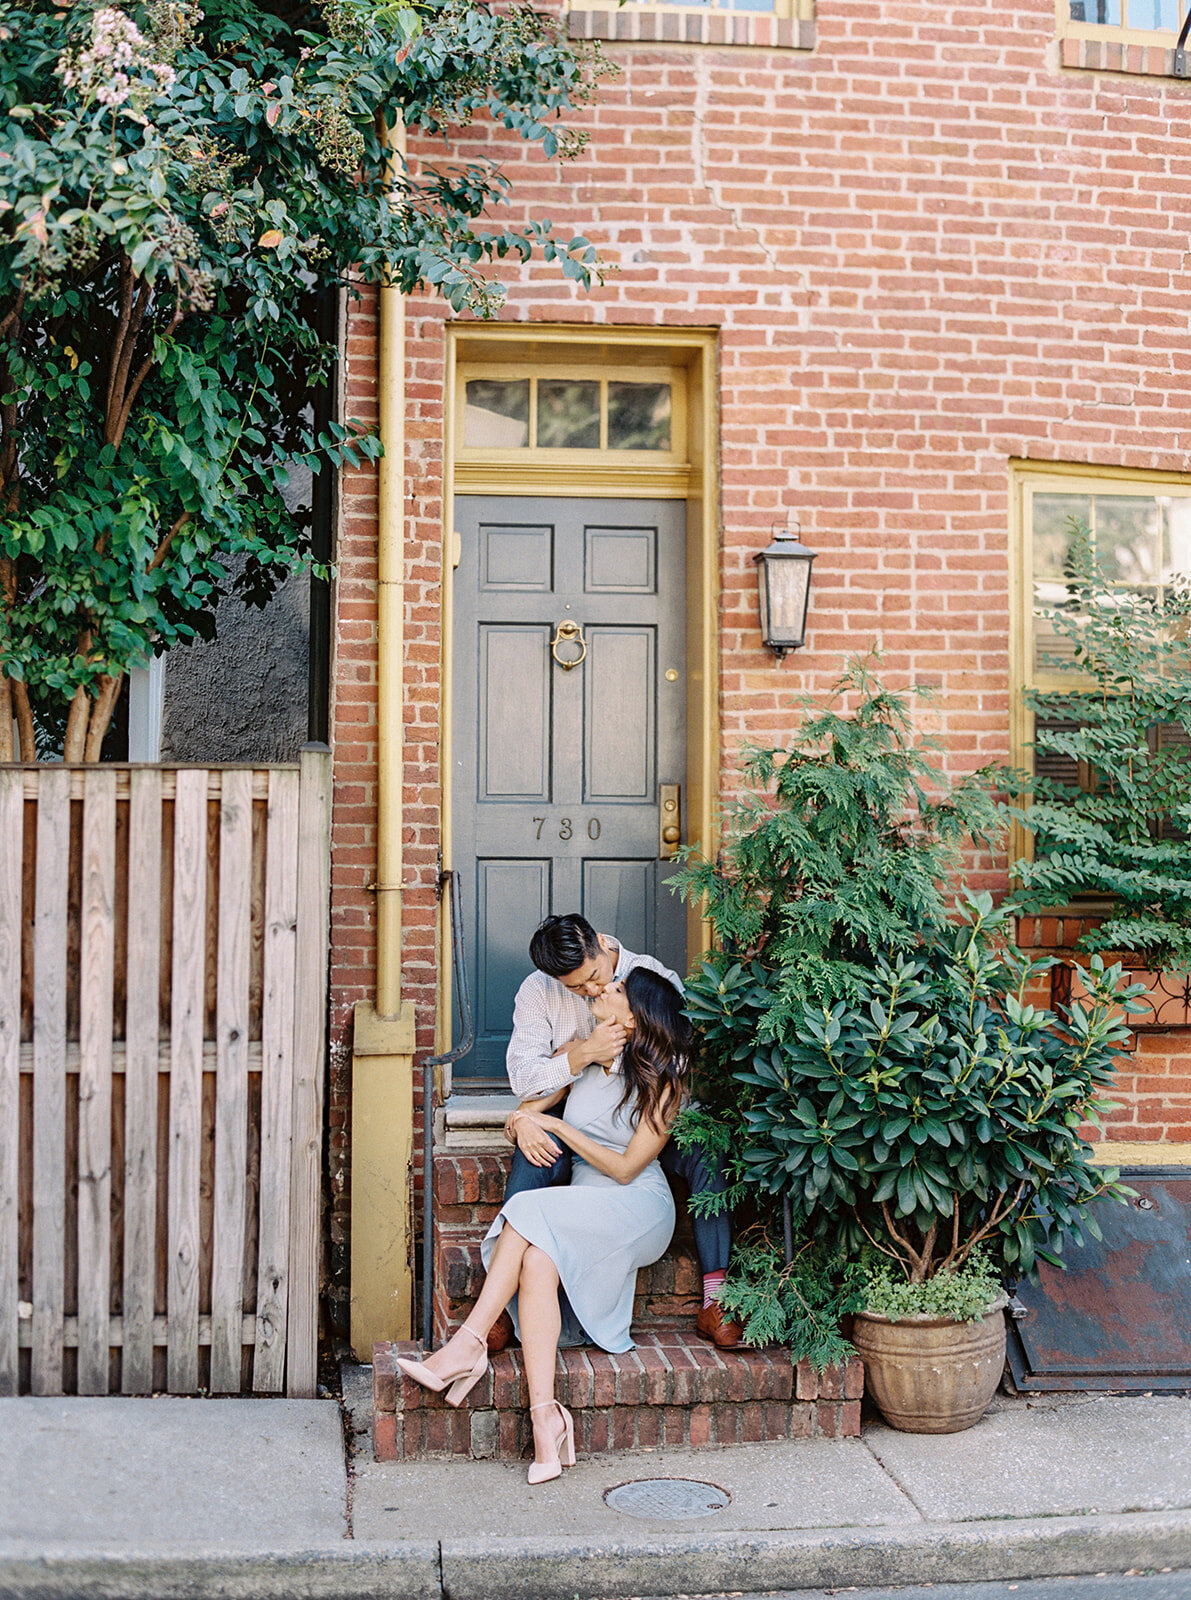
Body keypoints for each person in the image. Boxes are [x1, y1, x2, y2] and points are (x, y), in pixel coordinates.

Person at [396, 968, 690, 1483]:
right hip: (584, 1202)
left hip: (637, 1206)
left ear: (634, 1017)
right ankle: (546, 1423)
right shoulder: (584, 1055)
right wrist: (525, 1119)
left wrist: (554, 1126)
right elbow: (525, 1111)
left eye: (617, 990)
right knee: (536, 1261)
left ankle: (467, 1344)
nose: (605, 989)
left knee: (528, 1212)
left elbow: (625, 1168)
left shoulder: (664, 1082)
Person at [498, 913, 741, 1349]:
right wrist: (582, 1055)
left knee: (707, 1145)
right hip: (579, 1119)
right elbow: (523, 1077)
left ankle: (714, 1298)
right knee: (535, 1146)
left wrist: (620, 1056)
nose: (591, 991)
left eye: (595, 977)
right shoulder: (537, 991)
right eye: (576, 988)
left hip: (647, 1121)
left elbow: (678, 1058)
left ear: (600, 944)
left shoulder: (648, 978)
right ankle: (502, 1299)